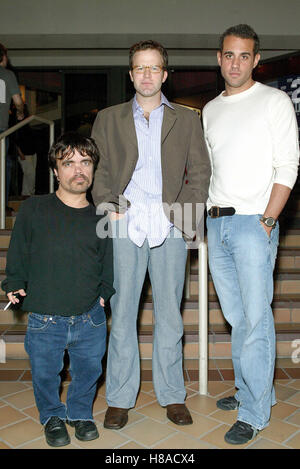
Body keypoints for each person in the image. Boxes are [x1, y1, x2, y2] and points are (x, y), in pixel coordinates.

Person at [91, 39, 211, 429]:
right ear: (131, 74)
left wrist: (181, 217)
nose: (147, 75)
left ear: (164, 73)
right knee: (123, 313)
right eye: (139, 68)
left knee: (169, 315)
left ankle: (172, 395)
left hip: (171, 223)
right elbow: (100, 169)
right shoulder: (108, 118)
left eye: (153, 68)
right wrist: (110, 206)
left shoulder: (188, 119)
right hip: (125, 222)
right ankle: (120, 397)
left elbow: (201, 173)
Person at [202, 24, 299, 445]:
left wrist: (268, 220)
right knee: (238, 318)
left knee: (257, 320)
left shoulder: (274, 101)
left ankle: (255, 412)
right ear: (219, 58)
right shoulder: (209, 109)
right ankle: (251, 389)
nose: (235, 62)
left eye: (244, 55)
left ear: (256, 60)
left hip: (254, 223)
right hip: (216, 222)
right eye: (228, 55)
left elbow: (288, 165)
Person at [1, 132, 115, 447]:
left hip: (89, 316)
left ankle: (80, 413)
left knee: (88, 372)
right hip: (44, 318)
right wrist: (14, 283)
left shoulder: (100, 216)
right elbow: (18, 252)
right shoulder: (34, 209)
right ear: (55, 171)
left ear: (93, 169)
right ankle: (52, 416)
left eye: (85, 162)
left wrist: (106, 291)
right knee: (44, 374)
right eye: (69, 163)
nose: (78, 170)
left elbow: (108, 261)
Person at [0, 43, 24, 212]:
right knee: (4, 166)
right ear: (3, 57)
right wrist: (20, 113)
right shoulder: (7, 75)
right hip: (1, 131)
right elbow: (17, 101)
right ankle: (2, 204)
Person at [15, 104, 37, 196]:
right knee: (30, 173)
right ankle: (29, 193)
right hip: (24, 153)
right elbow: (15, 140)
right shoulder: (16, 124)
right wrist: (20, 153)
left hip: (32, 152)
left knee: (30, 174)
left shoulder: (26, 122)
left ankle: (26, 193)